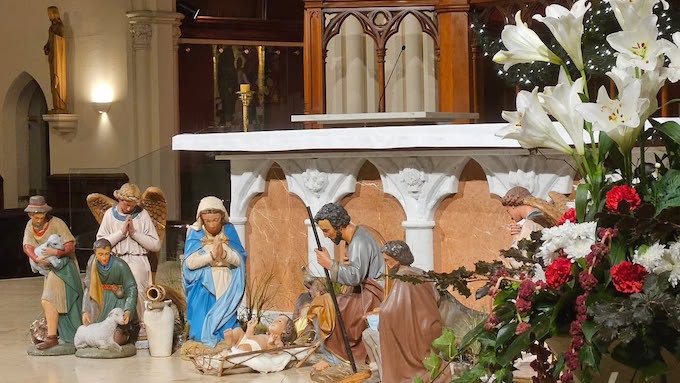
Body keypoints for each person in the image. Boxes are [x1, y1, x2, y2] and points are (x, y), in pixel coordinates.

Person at [308, 202, 385, 368]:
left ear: (340, 226)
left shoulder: (359, 241)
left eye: (327, 230)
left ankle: (335, 358)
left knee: (322, 305)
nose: (326, 235)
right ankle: (335, 355)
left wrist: (330, 264)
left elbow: (355, 276)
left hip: (372, 297)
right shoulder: (356, 237)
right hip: (364, 292)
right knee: (324, 303)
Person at [369, 240, 447, 383]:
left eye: (388, 261)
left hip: (416, 335)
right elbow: (435, 298)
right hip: (430, 328)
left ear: (397, 259)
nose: (387, 265)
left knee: (369, 335)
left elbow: (391, 311)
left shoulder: (403, 278)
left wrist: (382, 311)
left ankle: (395, 376)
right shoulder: (418, 273)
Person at [96, 183, 160, 334]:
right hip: (115, 260)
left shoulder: (142, 215)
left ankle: (143, 324)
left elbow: (155, 245)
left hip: (137, 259)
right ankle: (116, 326)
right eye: (126, 204)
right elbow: (100, 243)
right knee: (114, 290)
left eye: (132, 205)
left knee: (137, 286)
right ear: (119, 199)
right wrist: (121, 232)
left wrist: (135, 233)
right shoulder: (109, 215)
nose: (130, 208)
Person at [183, 196, 247, 347]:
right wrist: (211, 255)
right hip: (203, 286)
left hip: (226, 282)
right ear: (202, 219)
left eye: (215, 220)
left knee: (227, 325)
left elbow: (240, 259)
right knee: (200, 332)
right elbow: (190, 263)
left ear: (222, 217)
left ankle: (228, 342)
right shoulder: (195, 233)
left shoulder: (229, 231)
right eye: (208, 220)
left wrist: (225, 255)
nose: (211, 224)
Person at [22, 196, 83, 351]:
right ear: (30, 215)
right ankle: (56, 334)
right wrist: (37, 259)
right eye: (35, 216)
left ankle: (52, 337)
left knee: (49, 300)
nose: (38, 219)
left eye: (41, 216)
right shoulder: (30, 225)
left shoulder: (57, 223)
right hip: (48, 269)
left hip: (63, 268)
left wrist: (54, 251)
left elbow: (70, 246)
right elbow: (27, 246)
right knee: (53, 301)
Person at [82, 238, 138, 346]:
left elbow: (131, 287)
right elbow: (88, 287)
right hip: (101, 302)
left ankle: (128, 334)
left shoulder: (120, 265)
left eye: (107, 254)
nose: (104, 258)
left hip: (118, 301)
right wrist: (85, 310)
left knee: (116, 339)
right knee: (94, 335)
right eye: (100, 254)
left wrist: (128, 310)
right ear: (95, 253)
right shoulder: (92, 263)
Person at [223, 315, 297, 352]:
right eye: (275, 319)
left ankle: (234, 348)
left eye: (279, 321)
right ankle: (231, 341)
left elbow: (274, 352)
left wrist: (271, 344)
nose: (274, 321)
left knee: (244, 347)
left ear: (285, 330)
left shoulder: (278, 342)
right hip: (247, 340)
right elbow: (250, 336)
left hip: (253, 347)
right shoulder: (266, 335)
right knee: (238, 330)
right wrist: (250, 327)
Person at [43, 6, 67, 113]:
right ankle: (56, 105)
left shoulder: (59, 27)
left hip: (58, 57)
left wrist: (53, 46)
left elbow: (60, 40)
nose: (49, 16)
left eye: (50, 13)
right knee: (53, 80)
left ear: (54, 13)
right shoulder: (51, 28)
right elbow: (50, 40)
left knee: (58, 80)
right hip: (52, 56)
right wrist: (47, 46)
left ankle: (60, 105)